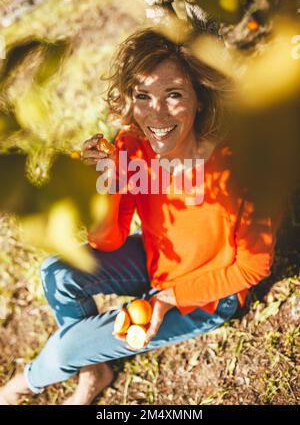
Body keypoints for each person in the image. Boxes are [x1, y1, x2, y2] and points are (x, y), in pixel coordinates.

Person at [0, 28, 282, 405]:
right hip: (156, 263)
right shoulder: (132, 146)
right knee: (57, 272)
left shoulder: (243, 167)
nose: (157, 114)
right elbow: (108, 241)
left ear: (200, 97)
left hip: (210, 294)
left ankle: (23, 385)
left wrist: (168, 299)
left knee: (66, 351)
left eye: (174, 95)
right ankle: (95, 367)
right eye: (142, 96)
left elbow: (253, 268)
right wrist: (106, 183)